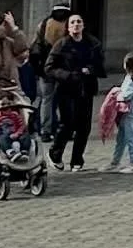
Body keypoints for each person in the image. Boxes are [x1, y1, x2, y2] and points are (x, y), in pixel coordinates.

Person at [45, 11, 105, 172]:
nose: (76, 25)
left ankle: (77, 160)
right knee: (68, 124)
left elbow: (100, 65)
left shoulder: (93, 43)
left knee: (84, 126)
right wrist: (67, 75)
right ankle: (55, 153)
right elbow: (49, 68)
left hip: (86, 89)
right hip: (67, 89)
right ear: (68, 27)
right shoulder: (61, 44)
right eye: (72, 23)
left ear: (83, 25)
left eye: (79, 22)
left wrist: (90, 70)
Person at [28, 7, 70, 140]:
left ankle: (45, 130)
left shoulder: (45, 24)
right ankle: (65, 128)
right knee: (65, 99)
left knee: (46, 100)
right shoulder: (68, 24)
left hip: (45, 68)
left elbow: (35, 46)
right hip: (63, 68)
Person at [106, 51, 133, 173]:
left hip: (131, 114)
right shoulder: (131, 77)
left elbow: (126, 96)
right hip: (125, 113)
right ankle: (115, 161)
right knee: (121, 139)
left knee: (130, 138)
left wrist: (117, 94)